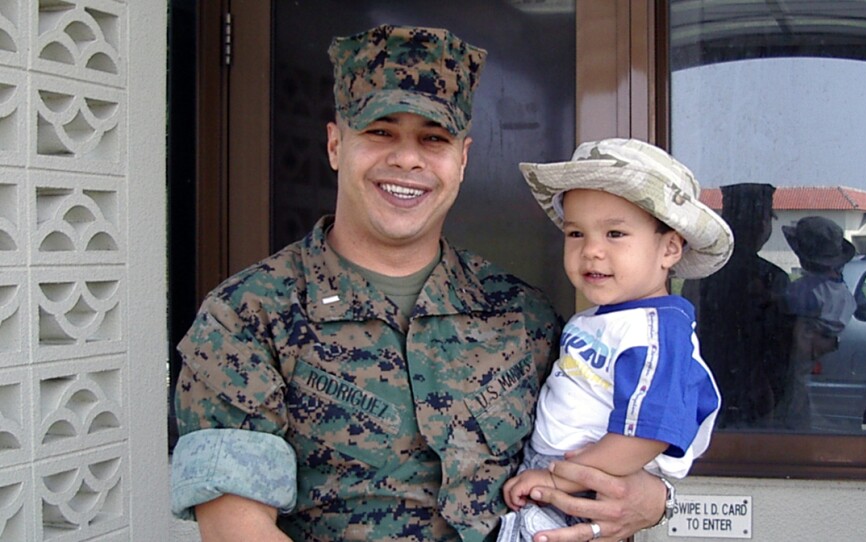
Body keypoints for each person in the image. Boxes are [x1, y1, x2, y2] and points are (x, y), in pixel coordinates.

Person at [170, 25, 667, 542]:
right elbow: (236, 527)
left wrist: (653, 500)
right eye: (381, 132)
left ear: (463, 159)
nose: (408, 159)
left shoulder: (521, 314)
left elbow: (601, 446)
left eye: (433, 138)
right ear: (336, 144)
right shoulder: (248, 314)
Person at [498, 139, 732, 541]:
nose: (591, 251)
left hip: (588, 484)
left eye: (615, 233)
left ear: (670, 248)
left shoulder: (657, 332)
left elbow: (644, 436)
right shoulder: (599, 319)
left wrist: (556, 480)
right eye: (576, 233)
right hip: (559, 471)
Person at [684, 183, 793, 428]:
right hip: (752, 393)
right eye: (765, 219)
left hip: (705, 387)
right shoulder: (771, 277)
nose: (766, 227)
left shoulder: (701, 275)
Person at [774, 216, 857, 430]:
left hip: (802, 354)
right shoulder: (843, 292)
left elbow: (782, 308)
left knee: (795, 397)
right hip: (828, 357)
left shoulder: (804, 290)